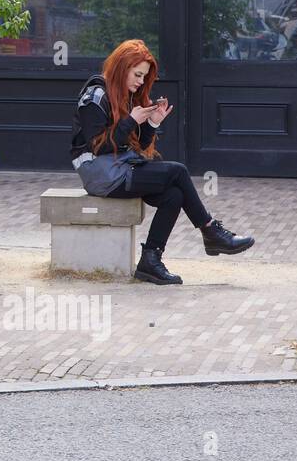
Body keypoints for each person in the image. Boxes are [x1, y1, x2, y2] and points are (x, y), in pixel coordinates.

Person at [69, 39, 254, 286]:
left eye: (144, 77)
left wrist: (152, 122)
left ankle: (150, 261)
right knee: (177, 171)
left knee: (174, 195)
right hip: (99, 173)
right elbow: (98, 146)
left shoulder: (125, 96)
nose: (140, 82)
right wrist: (131, 120)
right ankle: (210, 231)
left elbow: (137, 146)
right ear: (122, 67)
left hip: (121, 167)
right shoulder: (95, 96)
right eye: (137, 74)